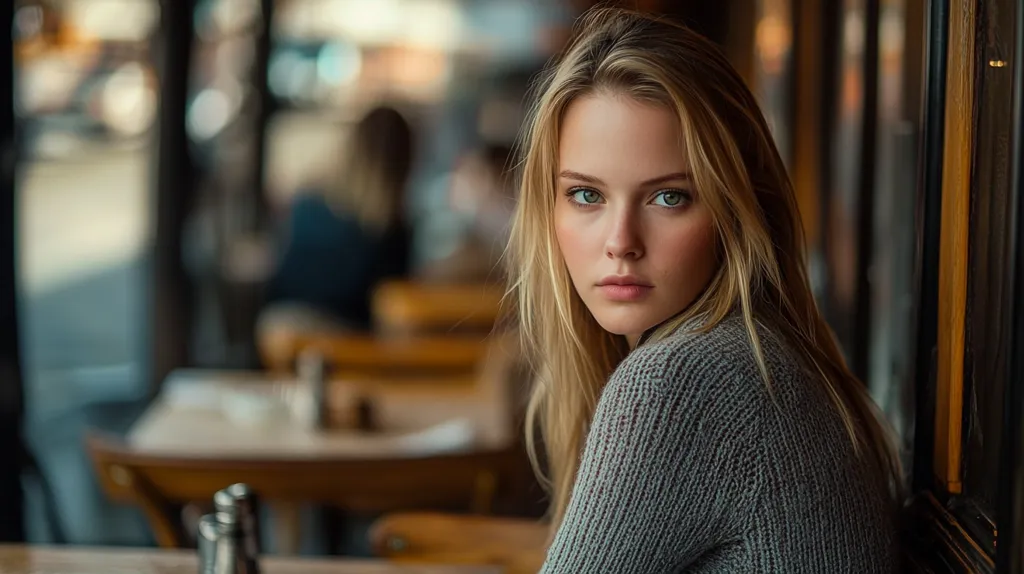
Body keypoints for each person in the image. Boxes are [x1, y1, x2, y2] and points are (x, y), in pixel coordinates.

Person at [505, 7, 901, 572]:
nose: (621, 242)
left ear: (738, 209)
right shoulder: (754, 358)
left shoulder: (684, 382)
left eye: (669, 197)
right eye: (587, 196)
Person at [260, 105, 415, 338]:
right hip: (343, 340)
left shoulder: (308, 198)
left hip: (277, 325)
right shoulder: (387, 226)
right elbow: (389, 300)